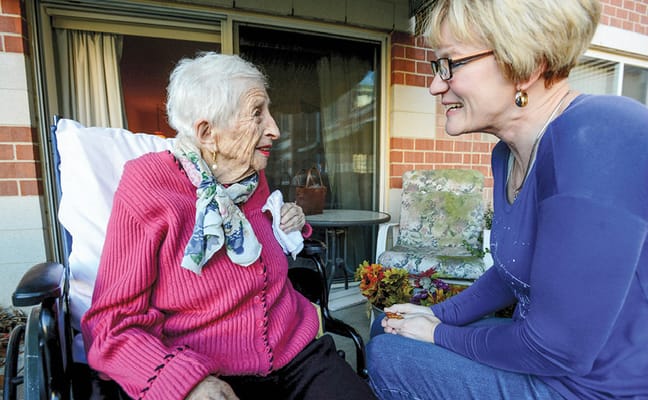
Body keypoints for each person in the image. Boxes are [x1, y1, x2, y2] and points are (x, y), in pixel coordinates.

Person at [366, 0, 648, 399]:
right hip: (540, 357)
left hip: (591, 387)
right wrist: (432, 314)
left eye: (451, 63)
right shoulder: (507, 154)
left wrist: (438, 334)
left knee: (387, 354)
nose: (435, 84)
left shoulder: (599, 136)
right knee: (388, 323)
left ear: (525, 65)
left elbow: (556, 350)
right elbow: (511, 271)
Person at [81, 52, 376, 400]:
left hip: (298, 352)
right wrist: (184, 381)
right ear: (208, 133)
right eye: (257, 114)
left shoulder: (252, 177)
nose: (275, 129)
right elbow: (110, 327)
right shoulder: (148, 185)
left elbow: (262, 241)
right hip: (210, 370)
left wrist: (292, 222)